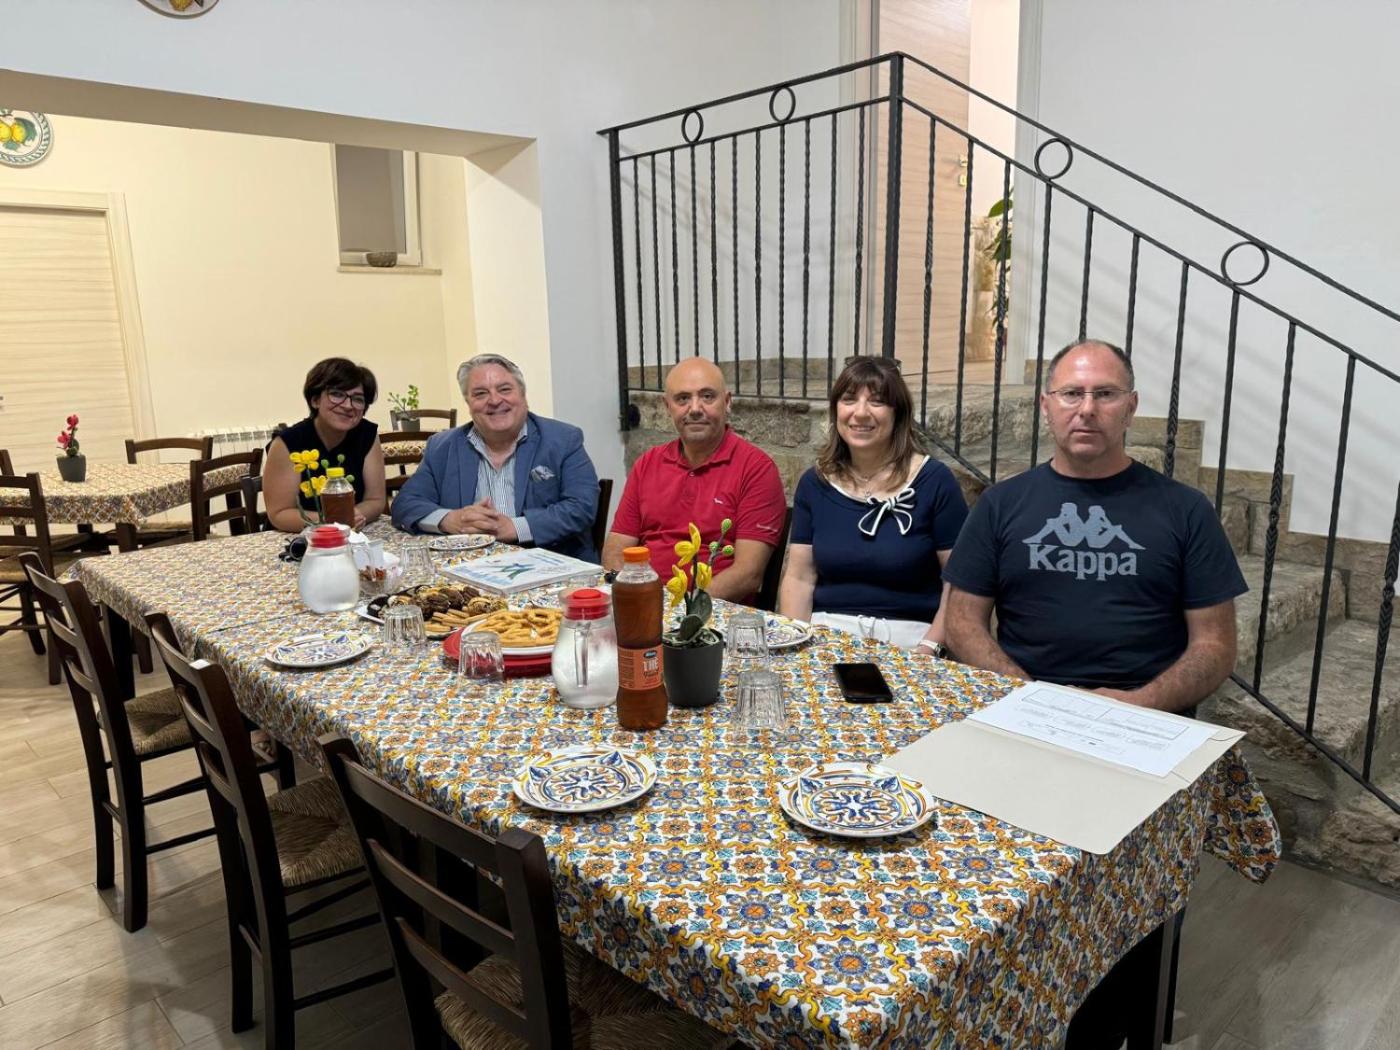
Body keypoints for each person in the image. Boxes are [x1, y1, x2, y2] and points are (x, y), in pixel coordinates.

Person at [943, 338, 1247, 712]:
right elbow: (962, 621)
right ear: (1046, 406)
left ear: (1130, 408)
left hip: (1146, 713)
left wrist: (1141, 702)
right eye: (1072, 393)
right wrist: (1026, 696)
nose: (1087, 409)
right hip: (1020, 704)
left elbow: (1215, 645)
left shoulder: (1187, 510)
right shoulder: (999, 504)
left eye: (1105, 394)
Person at [778, 357, 967, 651]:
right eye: (849, 399)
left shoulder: (936, 481)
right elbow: (799, 578)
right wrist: (796, 642)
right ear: (836, 410)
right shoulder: (815, 484)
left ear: (898, 413)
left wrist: (928, 648)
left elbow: (957, 585)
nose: (860, 413)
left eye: (877, 401)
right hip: (825, 636)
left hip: (911, 640)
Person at [603, 356, 786, 602]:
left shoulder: (756, 469)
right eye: (682, 399)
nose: (696, 409)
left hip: (708, 612)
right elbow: (617, 548)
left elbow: (747, 574)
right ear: (667, 406)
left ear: (727, 402)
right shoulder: (647, 464)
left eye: (707, 396)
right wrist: (630, 596)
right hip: (641, 602)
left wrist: (682, 608)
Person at [390, 354, 599, 560]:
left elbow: (583, 506)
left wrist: (515, 527)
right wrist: (450, 519)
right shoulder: (442, 447)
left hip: (551, 564)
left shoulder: (563, 439)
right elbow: (405, 504)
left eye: (504, 389)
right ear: (468, 403)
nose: (495, 400)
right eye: (480, 394)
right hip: (467, 566)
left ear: (523, 395)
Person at [264, 357, 386, 532]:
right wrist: (331, 522)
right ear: (315, 400)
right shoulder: (288, 442)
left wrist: (355, 515)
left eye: (358, 399)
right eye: (337, 394)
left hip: (352, 534)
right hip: (298, 536)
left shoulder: (366, 434)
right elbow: (279, 513)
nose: (348, 405)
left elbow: (376, 500)